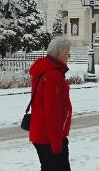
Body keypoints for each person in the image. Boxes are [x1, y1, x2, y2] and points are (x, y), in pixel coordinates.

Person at [29, 37, 73, 171]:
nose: (69, 56)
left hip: (41, 134)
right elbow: (53, 113)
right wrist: (57, 145)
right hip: (50, 138)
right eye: (68, 53)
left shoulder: (44, 70)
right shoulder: (53, 76)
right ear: (59, 53)